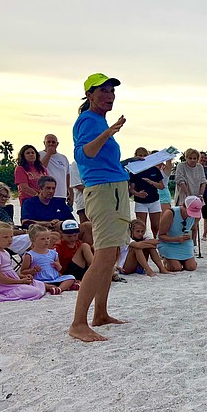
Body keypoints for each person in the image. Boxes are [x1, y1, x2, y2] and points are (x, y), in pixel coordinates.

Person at [69, 73, 131, 341]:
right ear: (90, 96)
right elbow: (84, 154)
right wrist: (108, 132)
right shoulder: (88, 120)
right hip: (103, 191)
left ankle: (101, 314)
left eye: (112, 91)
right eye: (103, 90)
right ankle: (78, 323)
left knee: (113, 252)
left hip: (115, 187)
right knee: (104, 254)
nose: (109, 95)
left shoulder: (98, 120)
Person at [21, 176, 92, 243]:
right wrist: (48, 223)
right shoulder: (29, 203)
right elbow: (25, 223)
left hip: (64, 230)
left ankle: (89, 253)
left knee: (87, 226)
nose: (51, 191)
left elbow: (72, 220)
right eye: (48, 188)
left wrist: (61, 224)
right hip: (44, 231)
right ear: (40, 189)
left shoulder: (59, 202)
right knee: (54, 235)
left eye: (53, 188)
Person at [0, 222, 48, 302]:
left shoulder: (4, 251)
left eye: (11, 236)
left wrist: (21, 276)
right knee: (35, 292)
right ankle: (3, 295)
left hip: (10, 281)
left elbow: (8, 271)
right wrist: (20, 281)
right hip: (1, 286)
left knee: (38, 284)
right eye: (5, 237)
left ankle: (55, 287)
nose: (10, 240)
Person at [20, 225, 77, 292]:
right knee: (34, 283)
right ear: (33, 240)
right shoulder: (30, 255)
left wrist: (57, 265)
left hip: (55, 278)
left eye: (48, 238)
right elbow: (22, 271)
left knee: (71, 277)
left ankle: (60, 288)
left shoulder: (53, 253)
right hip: (40, 280)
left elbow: (59, 269)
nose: (46, 241)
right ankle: (58, 287)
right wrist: (33, 270)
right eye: (43, 239)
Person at [158, 196, 202, 272]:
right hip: (168, 243)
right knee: (175, 268)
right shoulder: (170, 213)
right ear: (184, 206)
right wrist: (176, 239)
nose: (191, 215)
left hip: (184, 243)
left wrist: (192, 242)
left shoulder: (196, 216)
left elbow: (193, 229)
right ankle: (166, 260)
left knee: (191, 267)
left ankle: (180, 260)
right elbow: (161, 235)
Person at [127, 147, 164, 238]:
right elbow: (131, 189)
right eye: (140, 155)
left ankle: (157, 245)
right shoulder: (134, 171)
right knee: (140, 227)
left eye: (145, 155)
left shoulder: (154, 169)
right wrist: (138, 194)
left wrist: (151, 182)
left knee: (156, 227)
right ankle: (141, 247)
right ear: (135, 156)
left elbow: (162, 186)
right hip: (140, 202)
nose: (142, 157)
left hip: (154, 200)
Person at [0, 182, 30, 254]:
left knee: (49, 236)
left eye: (6, 197)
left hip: (10, 236)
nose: (3, 199)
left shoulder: (1, 210)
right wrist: (26, 232)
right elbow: (0, 231)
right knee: (39, 239)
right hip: (0, 240)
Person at [39, 134, 72, 203]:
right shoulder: (39, 155)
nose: (51, 144)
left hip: (61, 195)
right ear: (44, 143)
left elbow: (67, 175)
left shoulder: (63, 158)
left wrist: (70, 191)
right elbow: (40, 168)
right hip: (46, 195)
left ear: (57, 144)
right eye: (48, 142)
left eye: (53, 142)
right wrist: (49, 154)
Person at [198, 152, 207, 240]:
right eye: (202, 158)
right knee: (195, 216)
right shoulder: (194, 169)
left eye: (205, 158)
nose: (203, 160)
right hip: (196, 195)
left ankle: (204, 234)